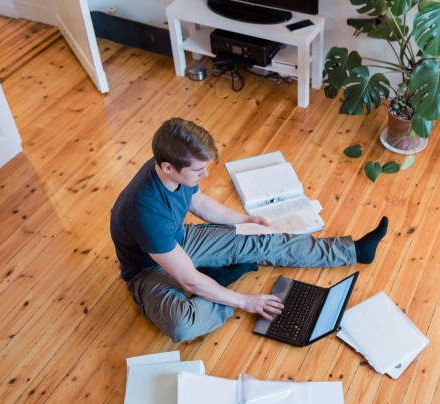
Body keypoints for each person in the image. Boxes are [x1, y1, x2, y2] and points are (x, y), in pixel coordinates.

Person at [110, 118, 389, 343]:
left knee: (260, 237)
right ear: (168, 167)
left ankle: (353, 251)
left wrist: (244, 220)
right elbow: (189, 282)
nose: (204, 175)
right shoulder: (147, 212)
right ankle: (220, 281)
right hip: (149, 269)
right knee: (183, 325)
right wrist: (245, 301)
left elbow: (198, 202)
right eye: (198, 171)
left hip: (180, 240)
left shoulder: (170, 165)